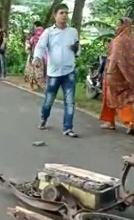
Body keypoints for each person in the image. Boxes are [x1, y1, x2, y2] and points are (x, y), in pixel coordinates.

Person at [32, 3, 79, 138]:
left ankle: (68, 128)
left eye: (66, 13)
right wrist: (37, 58)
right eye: (61, 13)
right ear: (55, 15)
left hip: (69, 71)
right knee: (49, 100)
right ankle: (44, 117)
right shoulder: (49, 32)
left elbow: (78, 50)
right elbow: (40, 47)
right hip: (54, 72)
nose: (64, 16)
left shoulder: (73, 32)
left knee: (69, 101)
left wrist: (76, 49)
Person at [98, 17, 134, 135]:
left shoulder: (118, 40)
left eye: (118, 25)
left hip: (115, 74)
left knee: (110, 97)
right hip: (129, 75)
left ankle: (110, 122)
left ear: (123, 26)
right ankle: (130, 122)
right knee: (126, 99)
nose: (116, 27)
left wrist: (108, 72)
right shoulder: (133, 39)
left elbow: (114, 59)